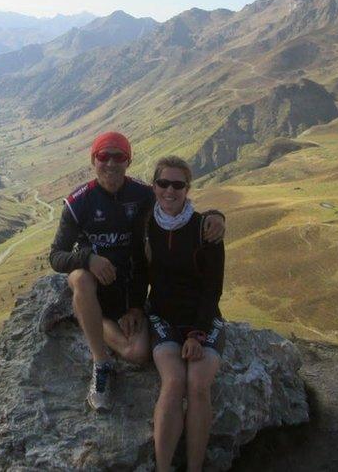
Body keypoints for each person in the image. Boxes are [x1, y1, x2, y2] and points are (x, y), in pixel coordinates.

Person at [49, 132, 225, 411]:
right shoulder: (78, 202)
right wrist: (88, 259)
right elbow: (56, 256)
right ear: (93, 160)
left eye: (118, 156)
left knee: (138, 353)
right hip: (93, 281)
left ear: (128, 161)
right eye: (103, 156)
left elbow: (175, 204)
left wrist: (215, 216)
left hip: (128, 288)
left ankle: (84, 316)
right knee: (80, 278)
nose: (111, 163)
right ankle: (100, 362)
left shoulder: (143, 195)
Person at [144, 155, 226, 472]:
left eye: (178, 184)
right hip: (162, 317)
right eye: (163, 183)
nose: (170, 190)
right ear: (154, 186)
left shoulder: (206, 230)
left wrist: (197, 333)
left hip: (202, 319)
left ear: (188, 188)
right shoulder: (146, 223)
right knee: (174, 380)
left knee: (199, 384)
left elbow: (212, 289)